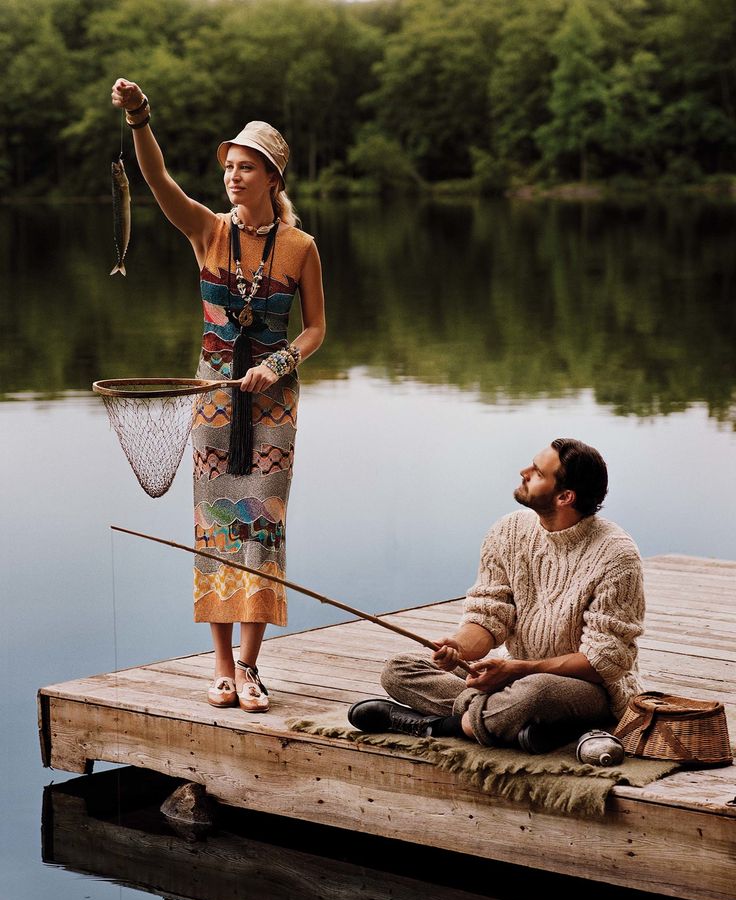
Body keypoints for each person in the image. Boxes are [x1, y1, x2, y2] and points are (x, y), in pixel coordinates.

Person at [111, 79, 326, 714]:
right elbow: (158, 183)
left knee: (260, 527)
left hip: (274, 405)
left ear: (272, 177)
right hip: (212, 398)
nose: (233, 176)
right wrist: (139, 119)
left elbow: (316, 329)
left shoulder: (300, 248)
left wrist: (279, 363)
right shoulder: (206, 230)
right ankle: (223, 668)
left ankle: (254, 668)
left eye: (245, 167)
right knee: (216, 529)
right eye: (229, 166)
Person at [348, 439, 645, 752]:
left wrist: (519, 671)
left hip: (584, 687)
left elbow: (604, 661)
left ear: (565, 496)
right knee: (398, 669)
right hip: (512, 677)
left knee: (535, 693)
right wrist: (458, 647)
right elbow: (489, 615)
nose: (524, 472)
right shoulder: (509, 531)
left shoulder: (616, 555)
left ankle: (441, 726)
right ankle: (519, 726)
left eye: (538, 472)